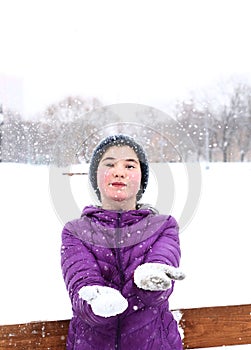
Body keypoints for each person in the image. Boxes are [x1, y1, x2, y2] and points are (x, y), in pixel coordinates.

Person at [61, 134, 185, 350]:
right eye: (110, 164)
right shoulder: (75, 231)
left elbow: (162, 263)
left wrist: (152, 281)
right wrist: (95, 304)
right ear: (97, 177)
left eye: (130, 165)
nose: (119, 171)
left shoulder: (163, 225)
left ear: (141, 178)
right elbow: (81, 282)